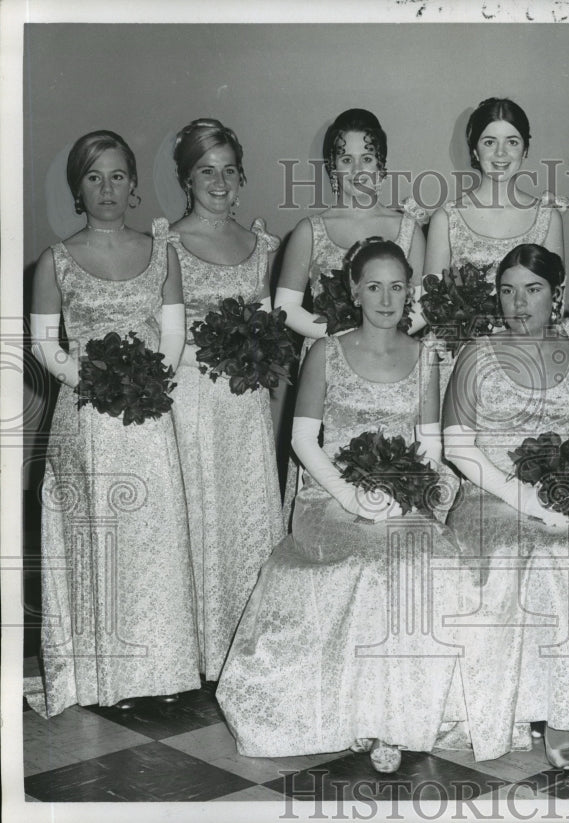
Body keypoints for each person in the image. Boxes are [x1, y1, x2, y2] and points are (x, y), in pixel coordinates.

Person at [216, 239, 465, 774]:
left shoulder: (426, 357)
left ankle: (402, 713)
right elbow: (304, 441)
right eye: (373, 285)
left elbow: (430, 446)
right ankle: (357, 713)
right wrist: (351, 494)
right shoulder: (326, 351)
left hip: (402, 493)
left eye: (397, 287)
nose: (385, 298)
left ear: (410, 293)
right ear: (353, 289)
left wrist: (402, 492)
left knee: (418, 557)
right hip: (328, 494)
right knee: (370, 564)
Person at [26, 130, 200, 716]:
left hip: (150, 415)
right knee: (103, 537)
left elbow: (173, 332)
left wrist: (154, 379)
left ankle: (166, 665)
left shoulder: (162, 252)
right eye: (94, 177)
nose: (107, 188)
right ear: (78, 186)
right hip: (88, 420)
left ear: (133, 185)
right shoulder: (56, 260)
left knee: (155, 534)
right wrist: (95, 383)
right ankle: (109, 675)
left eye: (118, 175)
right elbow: (45, 346)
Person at [443, 243, 569, 770]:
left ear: (559, 293)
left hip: (563, 489)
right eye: (507, 291)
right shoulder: (476, 353)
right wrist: (526, 497)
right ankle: (518, 705)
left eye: (532, 290)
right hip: (491, 495)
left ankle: (567, 708)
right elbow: (457, 446)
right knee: (527, 550)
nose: (518, 303)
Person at [168, 118, 285, 683]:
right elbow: (159, 333)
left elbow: (270, 325)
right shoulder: (167, 243)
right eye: (205, 171)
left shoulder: (262, 245)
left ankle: (247, 644)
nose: (218, 181)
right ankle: (195, 649)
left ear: (242, 177)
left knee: (247, 516)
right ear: (187, 179)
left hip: (245, 406)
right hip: (191, 401)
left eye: (228, 170)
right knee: (200, 514)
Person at [275, 108, 425, 516]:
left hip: (391, 359)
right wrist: (340, 335)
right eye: (346, 160)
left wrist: (380, 330)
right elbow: (284, 308)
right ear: (331, 169)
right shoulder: (311, 229)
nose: (357, 170)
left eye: (367, 158)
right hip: (329, 363)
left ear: (382, 167)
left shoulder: (408, 228)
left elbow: (422, 303)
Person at [424, 97, 563, 280]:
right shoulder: (446, 219)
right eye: (489, 142)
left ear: (525, 150)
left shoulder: (548, 218)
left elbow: (555, 301)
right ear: (475, 150)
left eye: (512, 142)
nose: (500, 153)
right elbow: (432, 302)